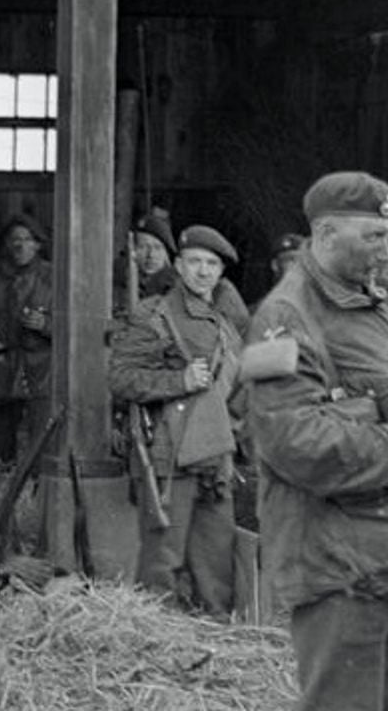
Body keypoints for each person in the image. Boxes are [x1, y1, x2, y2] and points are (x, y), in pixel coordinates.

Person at [246, 171, 388, 710]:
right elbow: (293, 440)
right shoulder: (285, 318)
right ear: (327, 233)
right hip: (337, 564)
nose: (387, 252)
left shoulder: (379, 304)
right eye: (374, 238)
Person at [110, 225, 246, 616]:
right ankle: (156, 635)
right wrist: (178, 381)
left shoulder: (225, 322)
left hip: (215, 454)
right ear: (179, 266)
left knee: (216, 557)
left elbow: (235, 389)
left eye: (212, 264)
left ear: (221, 272)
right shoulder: (153, 316)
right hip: (169, 456)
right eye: (195, 262)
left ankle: (217, 634)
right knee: (162, 560)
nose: (203, 272)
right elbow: (119, 379)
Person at [0, 215, 52, 465]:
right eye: (14, 239)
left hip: (42, 369)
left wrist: (47, 325)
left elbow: (78, 324)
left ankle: (38, 490)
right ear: (6, 244)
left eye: (27, 239)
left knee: (42, 439)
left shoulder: (55, 279)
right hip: (1, 368)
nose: (20, 245)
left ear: (38, 244)